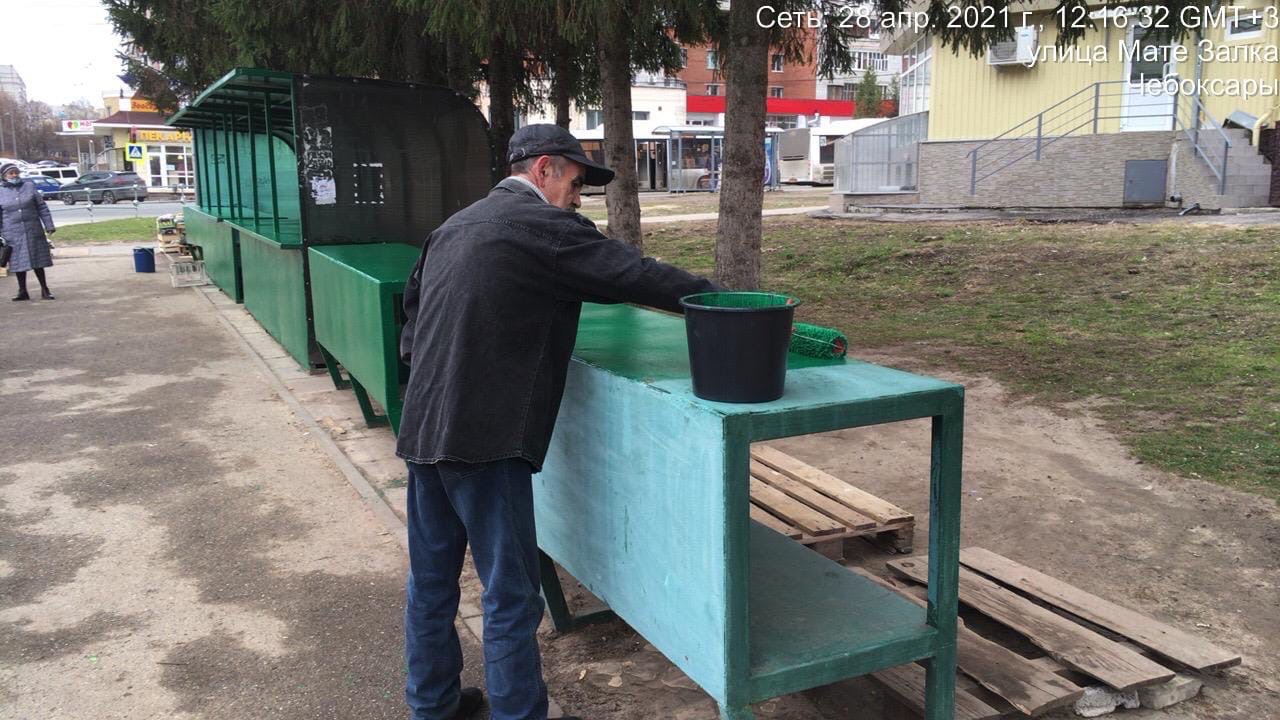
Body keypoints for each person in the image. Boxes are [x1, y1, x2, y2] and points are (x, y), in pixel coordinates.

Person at [397, 124, 717, 720]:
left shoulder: (452, 227)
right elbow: (638, 276)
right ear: (544, 169)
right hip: (486, 440)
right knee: (511, 595)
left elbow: (411, 329)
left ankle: (431, 705)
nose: (578, 197)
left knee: (432, 581)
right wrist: (718, 300)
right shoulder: (545, 229)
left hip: (422, 430)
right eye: (574, 182)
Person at [0, 162, 56, 301]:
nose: (14, 175)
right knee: (18, 262)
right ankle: (22, 291)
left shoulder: (29, 186)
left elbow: (42, 207)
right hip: (12, 232)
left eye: (16, 172)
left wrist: (49, 225)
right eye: (11, 173)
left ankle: (45, 289)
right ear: (4, 176)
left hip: (32, 228)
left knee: (38, 260)